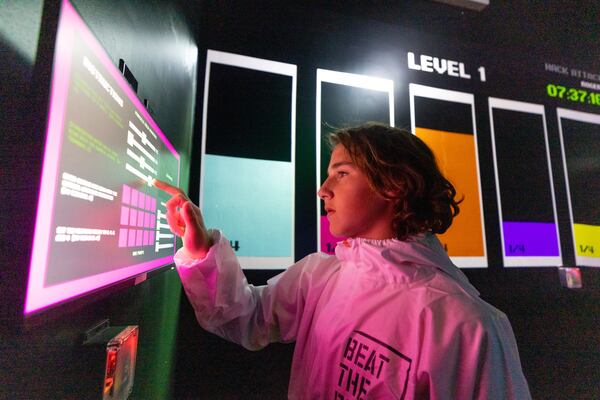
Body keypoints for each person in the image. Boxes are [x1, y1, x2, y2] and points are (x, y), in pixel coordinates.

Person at [155, 123, 531, 399]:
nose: (323, 189)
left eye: (342, 173)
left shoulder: (469, 327)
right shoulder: (320, 275)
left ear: (393, 184)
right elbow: (244, 317)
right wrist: (201, 250)